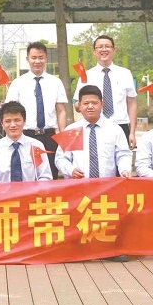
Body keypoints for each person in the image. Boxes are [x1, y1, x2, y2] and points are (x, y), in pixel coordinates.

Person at [56, 84, 132, 262]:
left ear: (102, 104)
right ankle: (80, 251)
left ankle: (110, 251)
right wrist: (70, 170)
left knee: (106, 218)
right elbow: (60, 159)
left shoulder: (114, 129)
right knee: (80, 219)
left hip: (106, 186)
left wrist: (124, 169)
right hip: (80, 186)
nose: (90, 106)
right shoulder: (71, 130)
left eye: (94, 103)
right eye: (86, 103)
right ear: (79, 106)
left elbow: (123, 154)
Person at [5, 41, 68, 178]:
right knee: (28, 174)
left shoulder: (55, 82)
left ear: (46, 58)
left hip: (50, 136)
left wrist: (62, 135)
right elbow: (10, 111)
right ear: (27, 59)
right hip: (27, 135)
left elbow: (61, 110)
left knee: (50, 174)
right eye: (33, 58)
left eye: (41, 57)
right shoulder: (18, 83)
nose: (37, 61)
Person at [72, 36, 138, 148]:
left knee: (123, 158)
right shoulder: (86, 75)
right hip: (95, 126)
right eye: (100, 47)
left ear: (114, 50)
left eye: (107, 46)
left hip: (120, 124)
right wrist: (79, 105)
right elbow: (78, 105)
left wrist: (132, 132)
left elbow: (131, 103)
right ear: (94, 51)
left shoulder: (125, 73)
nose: (104, 49)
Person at [0, 101, 52, 184]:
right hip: (2, 192)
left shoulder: (36, 146)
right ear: (2, 124)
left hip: (31, 191)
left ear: (24, 121)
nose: (13, 125)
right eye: (8, 121)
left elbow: (45, 176)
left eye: (17, 120)